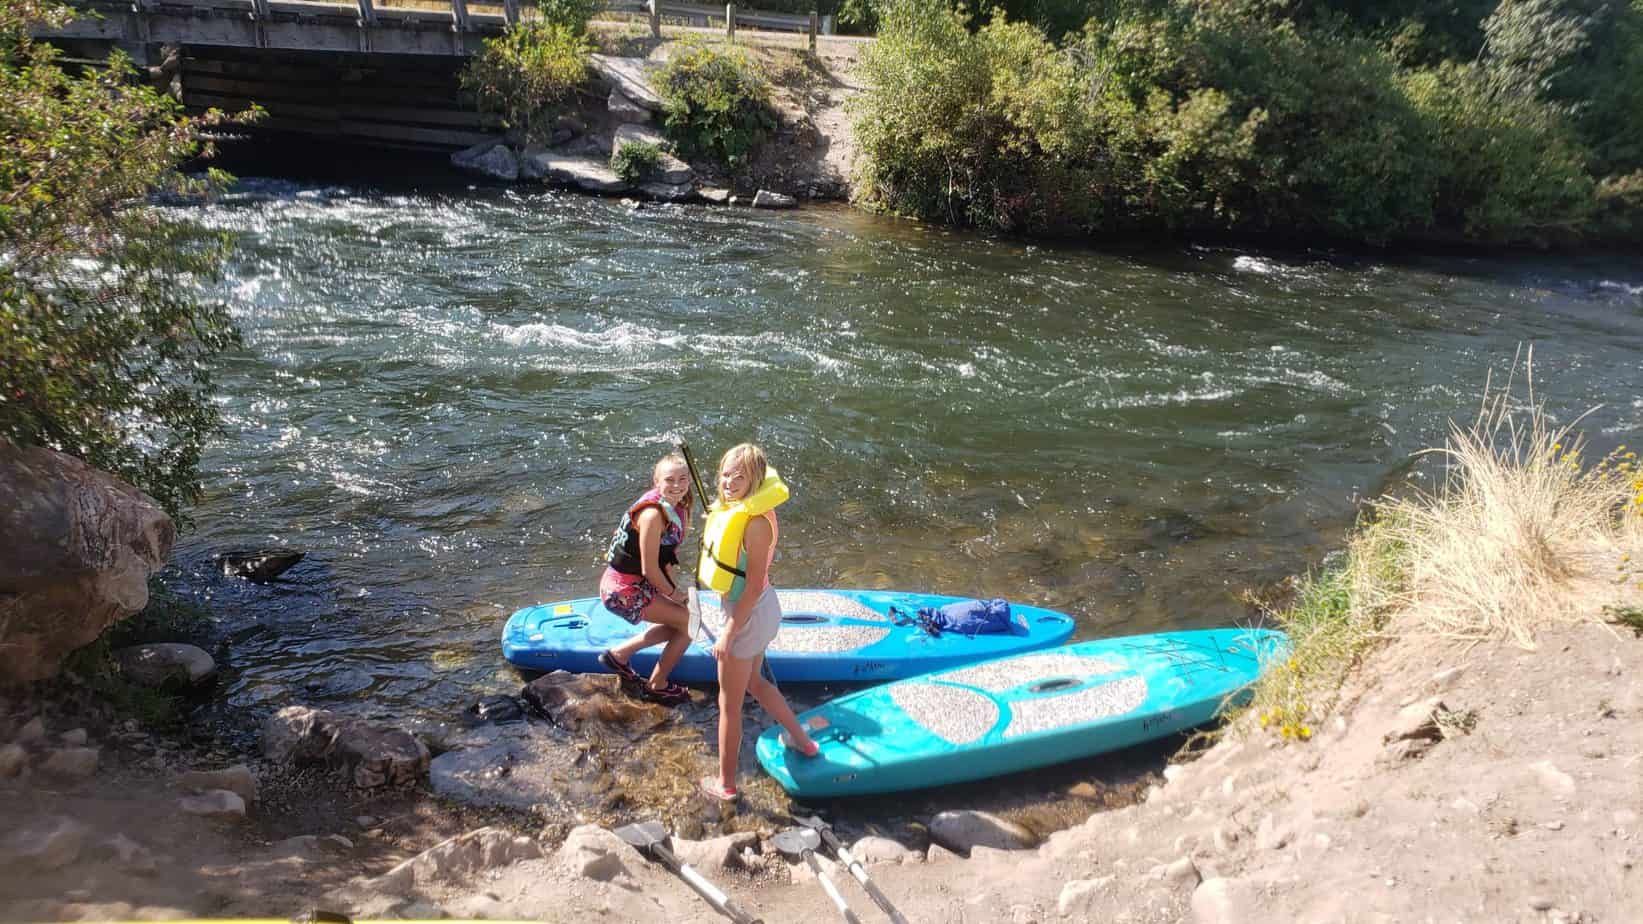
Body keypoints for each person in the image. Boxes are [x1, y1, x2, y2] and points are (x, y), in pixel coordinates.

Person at [698, 443, 824, 802]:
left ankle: (725, 785)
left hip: (748, 613)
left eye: (740, 476)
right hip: (763, 609)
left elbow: (750, 587)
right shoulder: (751, 511)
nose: (729, 481)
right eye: (725, 474)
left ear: (756, 479)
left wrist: (727, 633)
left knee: (728, 705)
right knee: (755, 682)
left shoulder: (754, 524)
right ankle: (805, 743)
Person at [596, 453, 694, 706]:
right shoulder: (652, 515)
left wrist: (673, 590)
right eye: (669, 479)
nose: (677, 485)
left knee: (680, 621)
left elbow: (664, 554)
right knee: (690, 624)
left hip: (634, 585)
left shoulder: (675, 504)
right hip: (623, 591)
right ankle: (657, 685)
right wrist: (676, 595)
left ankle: (619, 655)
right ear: (656, 481)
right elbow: (650, 569)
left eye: (683, 479)